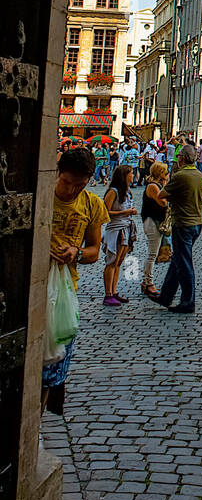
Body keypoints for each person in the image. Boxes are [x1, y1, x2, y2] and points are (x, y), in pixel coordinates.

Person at [44, 145, 110, 414]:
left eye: (80, 185)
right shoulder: (42, 194)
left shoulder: (92, 204)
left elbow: (95, 251)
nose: (72, 190)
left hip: (65, 290)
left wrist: (76, 252)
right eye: (67, 183)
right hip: (32, 286)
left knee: (53, 367)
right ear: (58, 173)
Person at [145, 144, 202, 313]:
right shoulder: (199, 175)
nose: (177, 160)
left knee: (184, 263)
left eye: (179, 157)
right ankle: (165, 297)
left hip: (183, 223)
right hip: (196, 222)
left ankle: (188, 301)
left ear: (183, 158)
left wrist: (169, 184)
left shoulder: (180, 176)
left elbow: (161, 194)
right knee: (177, 261)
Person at [101, 165, 137, 305]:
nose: (132, 175)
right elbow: (105, 211)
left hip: (125, 228)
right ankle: (108, 294)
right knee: (111, 261)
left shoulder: (127, 191)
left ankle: (114, 291)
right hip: (115, 229)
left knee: (118, 262)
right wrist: (125, 212)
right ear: (124, 176)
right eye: (131, 173)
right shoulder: (113, 192)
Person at [140, 160, 169, 294]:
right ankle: (148, 282)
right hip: (152, 221)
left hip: (157, 221)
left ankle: (146, 281)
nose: (168, 174)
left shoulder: (158, 185)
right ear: (161, 173)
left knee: (156, 253)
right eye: (166, 172)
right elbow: (163, 202)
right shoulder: (153, 186)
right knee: (152, 254)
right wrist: (166, 187)